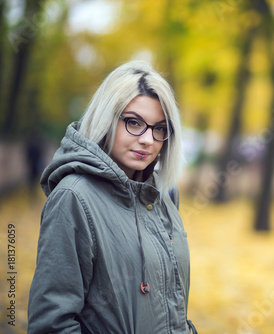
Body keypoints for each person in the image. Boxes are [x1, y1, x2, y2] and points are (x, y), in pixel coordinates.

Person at [28, 61, 197, 333]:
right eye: (134, 122)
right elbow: (52, 324)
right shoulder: (74, 198)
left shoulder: (164, 195)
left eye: (159, 128)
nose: (148, 140)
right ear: (107, 117)